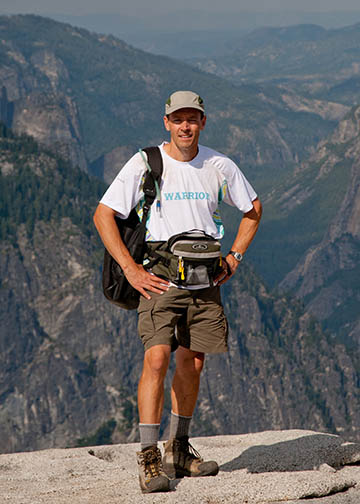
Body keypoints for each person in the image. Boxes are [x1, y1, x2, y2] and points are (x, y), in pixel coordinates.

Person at [93, 90, 262, 493]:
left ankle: (179, 450)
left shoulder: (219, 165)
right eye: (179, 119)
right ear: (166, 122)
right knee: (156, 359)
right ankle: (150, 458)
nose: (186, 126)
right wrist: (131, 270)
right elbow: (103, 215)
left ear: (203, 122)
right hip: (160, 279)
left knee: (194, 362)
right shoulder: (146, 163)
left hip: (205, 283)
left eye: (193, 119)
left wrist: (235, 256)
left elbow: (253, 208)